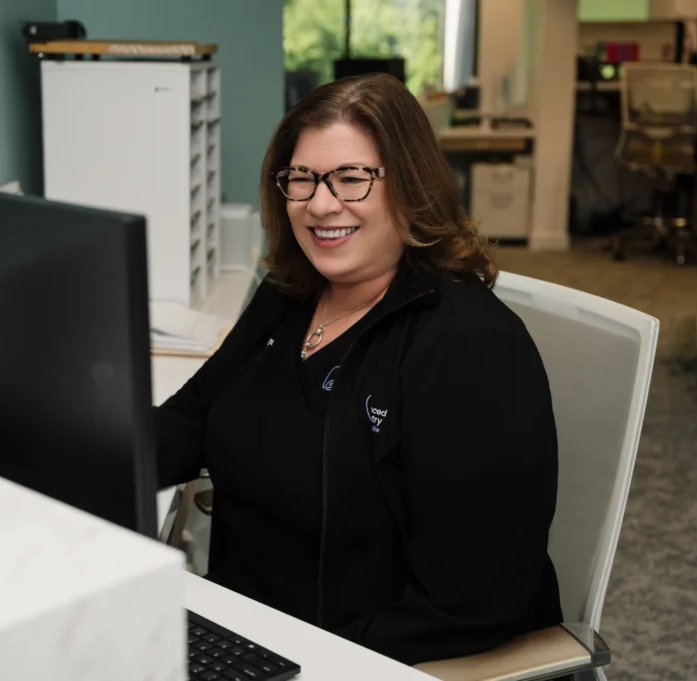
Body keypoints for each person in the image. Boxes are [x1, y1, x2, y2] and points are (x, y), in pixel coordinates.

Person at [156, 73, 563, 666]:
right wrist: (40, 443)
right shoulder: (290, 296)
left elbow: (473, 600)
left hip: (361, 656)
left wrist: (307, 658)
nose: (322, 204)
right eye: (303, 178)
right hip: (245, 626)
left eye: (352, 179)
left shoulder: (467, 346)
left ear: (410, 187)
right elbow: (191, 419)